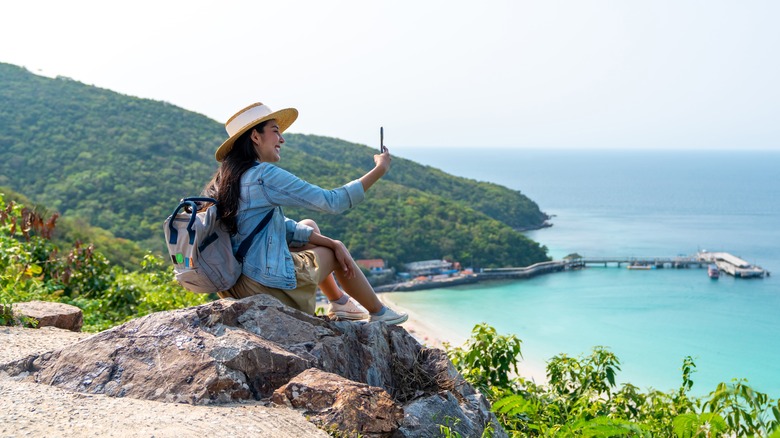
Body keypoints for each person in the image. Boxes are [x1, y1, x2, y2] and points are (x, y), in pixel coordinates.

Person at [204, 102, 407, 325]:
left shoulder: (227, 179)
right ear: (255, 136)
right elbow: (333, 202)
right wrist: (380, 169)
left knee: (309, 225)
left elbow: (275, 225)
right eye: (275, 131)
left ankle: (340, 303)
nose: (282, 139)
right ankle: (379, 314)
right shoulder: (263, 175)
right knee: (334, 257)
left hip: (236, 284)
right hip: (262, 285)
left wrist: (330, 241)